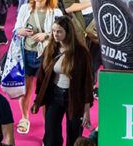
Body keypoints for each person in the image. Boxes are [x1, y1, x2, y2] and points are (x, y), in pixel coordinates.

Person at [32, 16, 94, 146]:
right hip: (54, 96)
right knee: (51, 136)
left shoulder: (81, 53)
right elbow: (42, 75)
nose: (55, 34)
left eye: (59, 31)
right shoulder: (50, 49)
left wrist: (86, 110)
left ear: (68, 32)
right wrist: (38, 99)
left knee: (74, 136)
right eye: (54, 31)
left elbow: (87, 82)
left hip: (75, 98)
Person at [14, 0, 59, 134]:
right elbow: (16, 29)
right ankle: (24, 118)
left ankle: (48, 126)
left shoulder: (55, 12)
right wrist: (22, 31)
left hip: (44, 56)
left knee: (44, 92)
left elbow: (60, 34)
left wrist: (46, 35)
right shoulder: (25, 8)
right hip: (25, 54)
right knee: (25, 90)